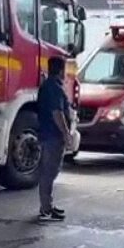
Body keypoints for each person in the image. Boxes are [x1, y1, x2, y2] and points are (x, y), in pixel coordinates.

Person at [37, 56, 73, 222]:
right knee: (49, 172)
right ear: (60, 71)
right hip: (53, 135)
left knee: (49, 171)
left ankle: (48, 205)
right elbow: (57, 113)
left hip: (47, 133)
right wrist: (66, 134)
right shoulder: (55, 88)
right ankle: (46, 208)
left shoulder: (47, 86)